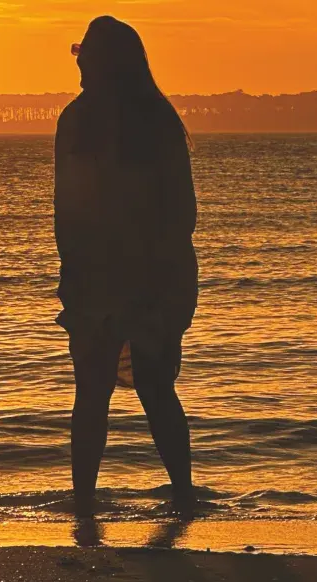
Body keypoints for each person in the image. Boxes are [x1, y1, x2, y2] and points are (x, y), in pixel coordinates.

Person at [54, 16, 198, 515]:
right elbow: (67, 212)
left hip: (144, 278)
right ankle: (93, 503)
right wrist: (74, 276)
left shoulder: (149, 122)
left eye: (85, 55)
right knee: (104, 391)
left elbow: (180, 212)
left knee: (145, 387)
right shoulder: (86, 120)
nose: (79, 65)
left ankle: (177, 496)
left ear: (107, 62)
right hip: (110, 279)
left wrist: (152, 281)